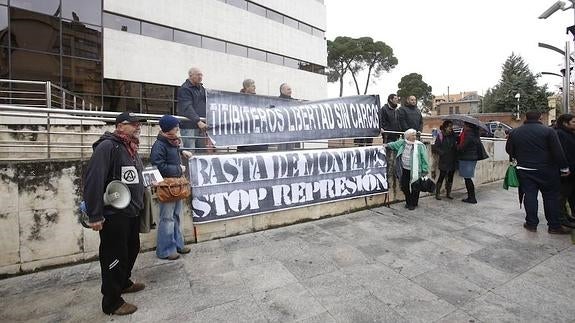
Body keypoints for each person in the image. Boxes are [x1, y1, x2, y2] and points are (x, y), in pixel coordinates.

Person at [83, 112, 147, 315]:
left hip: (130, 211)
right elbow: (93, 179)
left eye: (139, 124)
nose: (138, 127)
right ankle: (112, 301)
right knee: (114, 254)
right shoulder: (107, 146)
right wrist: (95, 214)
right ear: (120, 126)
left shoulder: (130, 148)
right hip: (114, 213)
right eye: (133, 124)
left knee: (132, 248)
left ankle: (123, 282)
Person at [506, 111, 571, 234]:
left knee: (530, 196)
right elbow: (558, 151)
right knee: (551, 198)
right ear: (540, 118)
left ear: (525, 118)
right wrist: (564, 168)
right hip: (547, 170)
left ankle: (531, 224)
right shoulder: (548, 131)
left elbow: (509, 149)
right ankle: (554, 226)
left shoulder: (515, 132)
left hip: (525, 170)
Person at [150, 115, 193, 260]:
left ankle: (178, 245)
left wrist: (182, 151)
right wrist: (178, 169)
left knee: (176, 216)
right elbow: (158, 166)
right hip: (168, 187)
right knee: (167, 218)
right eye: (176, 127)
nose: (178, 129)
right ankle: (166, 250)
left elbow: (171, 153)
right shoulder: (159, 145)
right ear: (169, 129)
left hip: (175, 186)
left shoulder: (171, 142)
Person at [386, 129, 430, 210]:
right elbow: (393, 145)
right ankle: (409, 201)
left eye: (415, 135)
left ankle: (414, 203)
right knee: (404, 186)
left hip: (416, 170)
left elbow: (424, 158)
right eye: (412, 135)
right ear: (407, 136)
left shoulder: (420, 145)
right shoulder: (402, 143)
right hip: (405, 169)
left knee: (415, 187)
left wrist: (425, 169)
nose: (414, 137)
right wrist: (385, 145)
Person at [177, 67, 207, 152]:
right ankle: (188, 166)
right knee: (190, 152)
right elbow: (186, 107)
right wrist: (198, 121)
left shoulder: (201, 88)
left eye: (201, 75)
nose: (200, 77)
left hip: (200, 126)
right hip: (189, 127)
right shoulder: (185, 89)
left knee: (201, 153)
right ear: (190, 75)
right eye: (198, 75)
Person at [457, 122, 489, 204]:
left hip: (467, 158)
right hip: (472, 158)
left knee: (467, 178)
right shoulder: (474, 134)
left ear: (468, 126)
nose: (463, 126)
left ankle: (472, 197)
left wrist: (456, 147)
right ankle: (471, 196)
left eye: (464, 125)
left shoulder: (469, 134)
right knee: (468, 178)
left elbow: (463, 146)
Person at [555, 113, 575, 228]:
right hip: (566, 172)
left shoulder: (569, 134)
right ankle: (561, 219)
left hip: (571, 171)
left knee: (569, 195)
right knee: (562, 197)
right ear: (565, 123)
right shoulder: (560, 134)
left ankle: (566, 217)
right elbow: (562, 153)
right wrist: (565, 168)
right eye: (573, 122)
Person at [237, 79, 268, 152]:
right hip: (245, 139)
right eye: (253, 86)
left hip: (259, 138)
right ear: (247, 87)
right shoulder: (238, 99)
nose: (255, 87)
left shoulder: (258, 100)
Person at [432, 120, 457, 200]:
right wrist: (442, 153)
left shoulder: (453, 135)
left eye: (451, 126)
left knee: (450, 177)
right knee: (442, 176)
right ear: (445, 127)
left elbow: (457, 143)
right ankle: (437, 193)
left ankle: (448, 193)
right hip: (444, 159)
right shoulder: (440, 135)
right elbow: (436, 147)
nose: (450, 128)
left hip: (452, 159)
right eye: (449, 126)